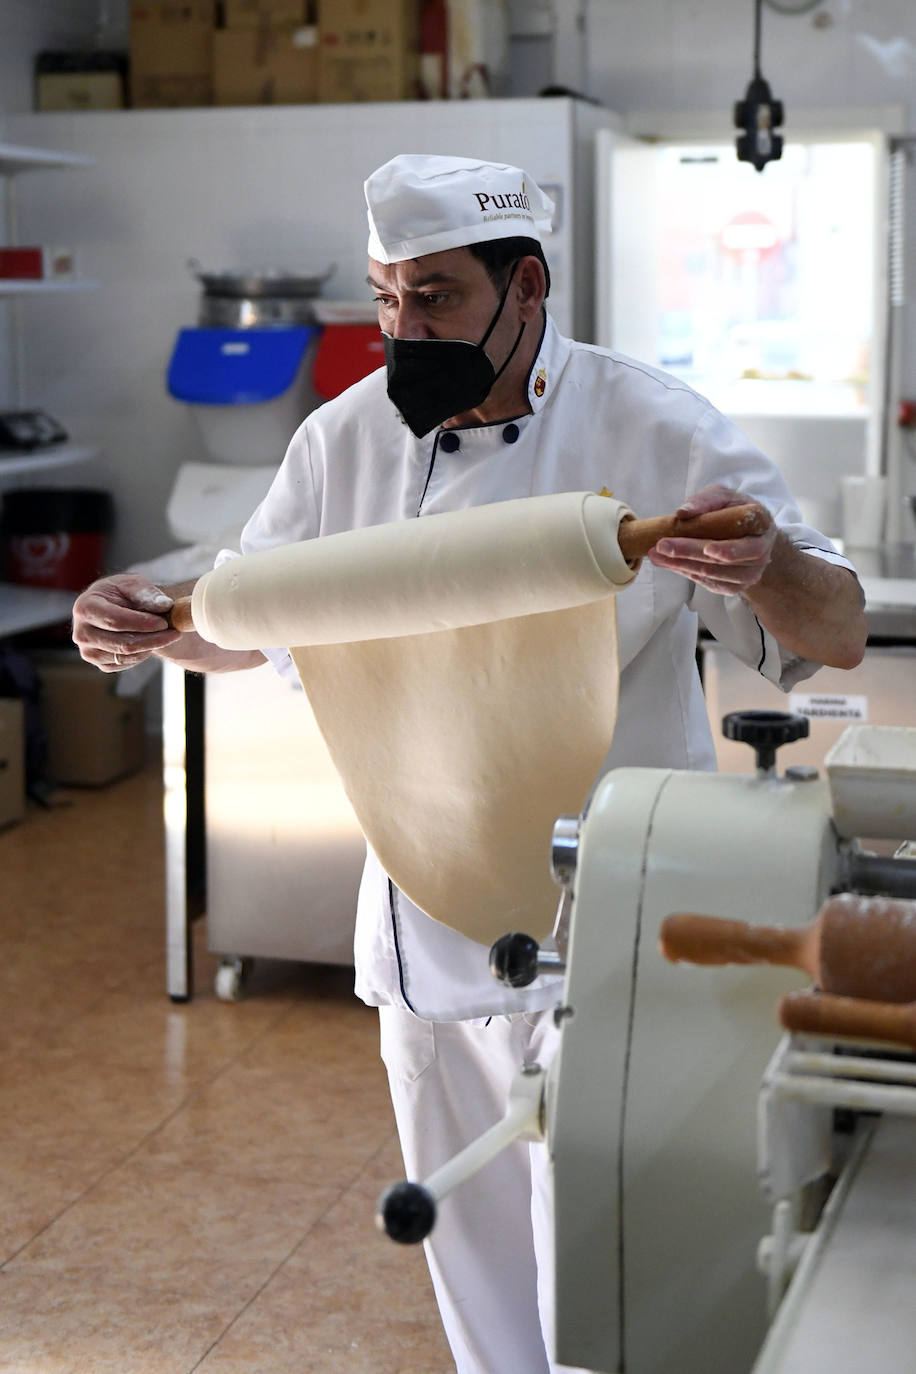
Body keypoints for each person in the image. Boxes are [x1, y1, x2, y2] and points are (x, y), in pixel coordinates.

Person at [72, 153, 867, 1374]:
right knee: (476, 1277)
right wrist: (156, 619)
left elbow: (835, 631)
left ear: (527, 287)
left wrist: (768, 566)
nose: (404, 330)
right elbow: (256, 617)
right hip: (419, 923)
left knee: (597, 1275)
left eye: (435, 297)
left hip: (600, 921)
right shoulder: (342, 443)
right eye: (386, 299)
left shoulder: (648, 424)